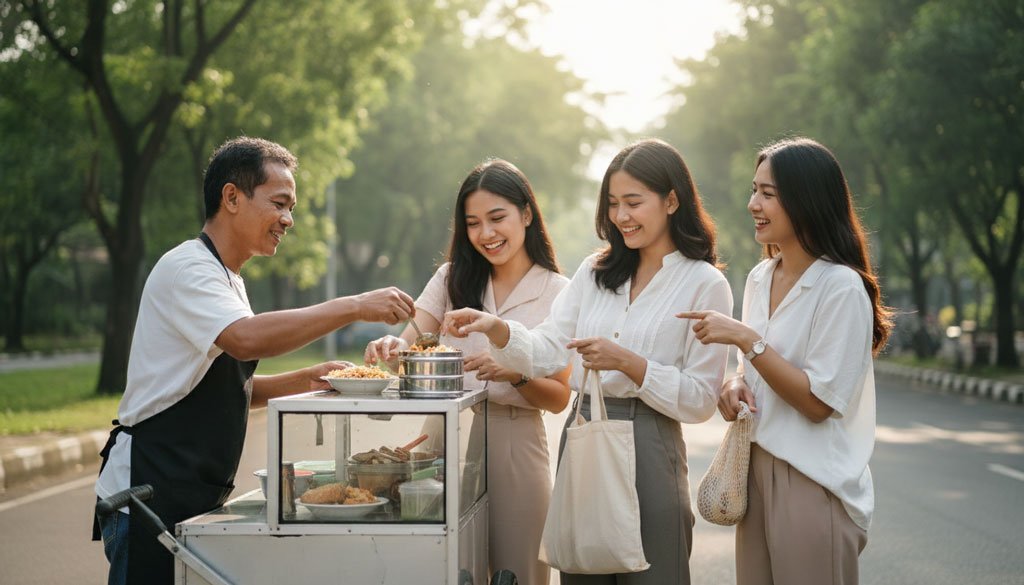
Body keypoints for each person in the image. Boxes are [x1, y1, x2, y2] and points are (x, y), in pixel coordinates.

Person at [92, 136, 416, 585]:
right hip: (147, 494)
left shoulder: (230, 281)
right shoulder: (188, 268)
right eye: (280, 203)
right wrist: (356, 305)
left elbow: (225, 388)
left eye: (292, 207)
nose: (288, 219)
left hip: (190, 493)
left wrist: (310, 377)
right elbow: (246, 340)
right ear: (231, 197)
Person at [443, 139, 732, 585]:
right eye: (613, 204)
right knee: (581, 574)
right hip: (582, 437)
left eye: (633, 203)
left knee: (657, 574)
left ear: (672, 200)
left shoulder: (704, 284)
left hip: (652, 442)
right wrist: (496, 328)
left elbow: (698, 401)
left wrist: (631, 364)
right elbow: (547, 350)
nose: (621, 216)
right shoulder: (595, 273)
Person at [678, 137, 892, 585]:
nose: (753, 203)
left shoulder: (841, 287)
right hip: (753, 471)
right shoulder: (760, 277)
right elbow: (750, 371)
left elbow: (819, 404)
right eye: (754, 190)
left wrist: (747, 340)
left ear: (807, 199)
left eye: (768, 194)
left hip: (813, 483)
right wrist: (733, 388)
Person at [364, 159, 571, 585]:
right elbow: (414, 335)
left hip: (518, 438)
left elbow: (559, 397)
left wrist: (513, 374)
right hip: (444, 432)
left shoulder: (557, 292)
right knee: (445, 565)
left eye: (497, 218)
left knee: (519, 571)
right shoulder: (452, 278)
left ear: (526, 214)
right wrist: (394, 346)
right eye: (473, 223)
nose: (486, 234)